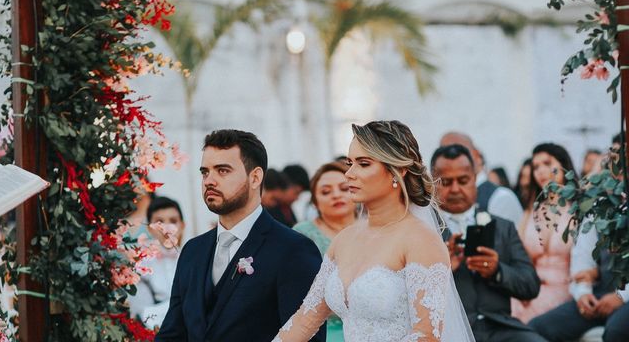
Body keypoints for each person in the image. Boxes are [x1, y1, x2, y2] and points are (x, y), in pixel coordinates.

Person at [272, 120, 474, 342]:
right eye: (350, 163)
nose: (349, 173)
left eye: (364, 163)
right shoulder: (344, 239)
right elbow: (305, 319)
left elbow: (426, 335)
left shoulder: (421, 240)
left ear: (398, 170)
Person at [157, 129, 325, 342]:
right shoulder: (192, 250)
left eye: (223, 170)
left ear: (255, 177)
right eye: (205, 172)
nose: (209, 180)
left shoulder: (293, 250)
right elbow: (172, 334)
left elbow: (307, 338)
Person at [432, 144, 545, 342]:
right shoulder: (425, 231)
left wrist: (497, 271)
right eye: (446, 182)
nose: (455, 188)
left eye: (463, 180)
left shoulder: (503, 227)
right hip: (449, 331)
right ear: (433, 183)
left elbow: (530, 285)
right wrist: (443, 270)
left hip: (501, 328)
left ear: (475, 180)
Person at [529, 225, 629, 342]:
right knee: (537, 327)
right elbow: (583, 256)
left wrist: (622, 295)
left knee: (616, 332)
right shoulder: (595, 209)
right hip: (601, 294)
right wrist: (583, 292)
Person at [512, 143, 576, 323]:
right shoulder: (530, 212)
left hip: (567, 290)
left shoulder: (579, 209)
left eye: (547, 163)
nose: (540, 171)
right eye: (536, 167)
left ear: (563, 165)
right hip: (530, 289)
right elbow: (520, 258)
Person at [293, 161, 357, 342]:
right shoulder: (303, 233)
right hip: (325, 330)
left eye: (344, 188)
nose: (336, 195)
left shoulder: (373, 228)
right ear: (314, 202)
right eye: (326, 192)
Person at [440, 132, 523, 225]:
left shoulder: (501, 198)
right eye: (444, 154)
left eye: (456, 153)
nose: (450, 160)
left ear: (476, 155)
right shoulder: (440, 200)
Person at [128, 196, 185, 328]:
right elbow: (145, 315)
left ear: (182, 226)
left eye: (173, 221)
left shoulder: (197, 260)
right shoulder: (141, 266)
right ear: (150, 228)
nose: (167, 228)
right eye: (159, 222)